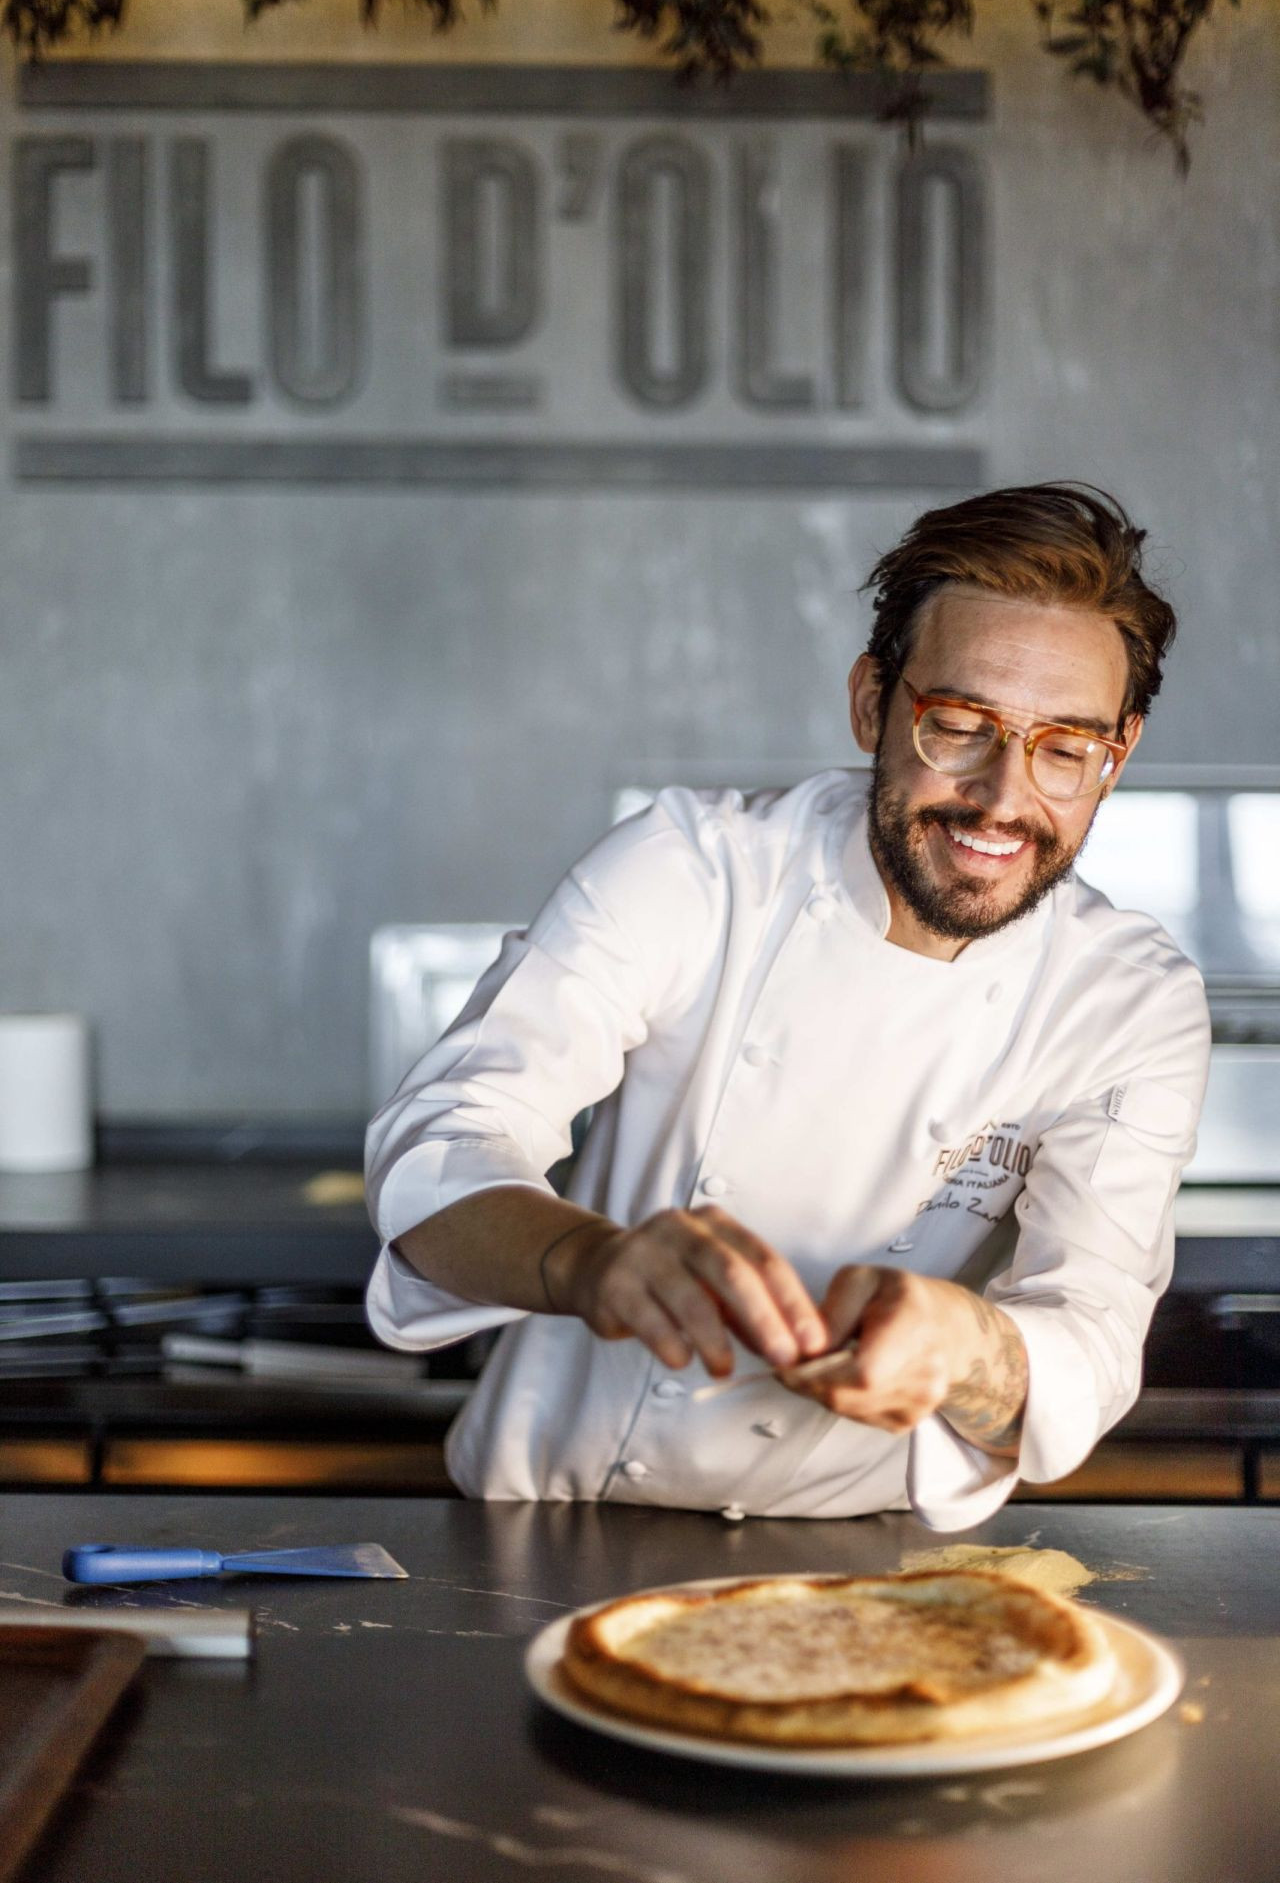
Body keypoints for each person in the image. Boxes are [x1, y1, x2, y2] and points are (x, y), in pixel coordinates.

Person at [364, 483, 1210, 1530]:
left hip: (855, 1561)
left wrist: (967, 1349)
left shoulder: (1127, 1001)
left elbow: (1086, 1330)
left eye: (1063, 748)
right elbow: (443, 1143)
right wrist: (589, 1262)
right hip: (542, 1530)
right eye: (957, 726)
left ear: (1113, 755)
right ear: (870, 701)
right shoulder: (694, 870)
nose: (1001, 797)